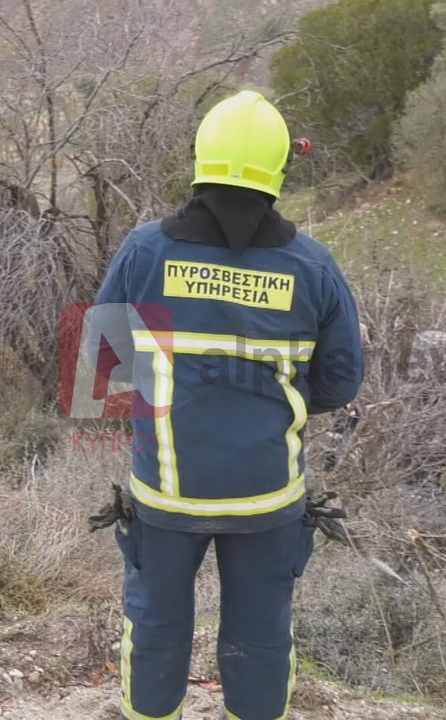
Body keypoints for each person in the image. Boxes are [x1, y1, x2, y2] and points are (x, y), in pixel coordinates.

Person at [89, 90, 364, 720]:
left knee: (156, 629)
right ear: (278, 169)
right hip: (267, 500)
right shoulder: (313, 266)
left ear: (202, 159)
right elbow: (340, 383)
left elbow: (103, 365)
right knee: (260, 639)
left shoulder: (145, 251)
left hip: (166, 495)